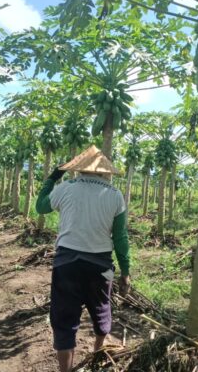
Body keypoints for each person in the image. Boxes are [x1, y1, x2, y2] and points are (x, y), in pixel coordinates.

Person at [36, 145, 131, 372]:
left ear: (78, 169)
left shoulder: (65, 187)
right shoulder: (115, 195)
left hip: (66, 263)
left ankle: (65, 370)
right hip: (101, 265)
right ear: (103, 171)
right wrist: (125, 271)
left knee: (65, 317)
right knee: (101, 309)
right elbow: (120, 237)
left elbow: (40, 207)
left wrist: (52, 178)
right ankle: (97, 355)